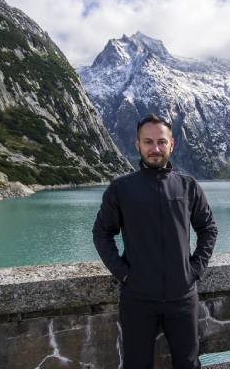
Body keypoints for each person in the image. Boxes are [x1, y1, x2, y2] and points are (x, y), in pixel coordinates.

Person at [92, 113, 218, 369]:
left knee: (188, 363)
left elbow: (208, 229)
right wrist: (124, 274)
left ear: (172, 144)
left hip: (182, 297)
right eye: (148, 142)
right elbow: (101, 233)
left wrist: (194, 270)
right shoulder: (121, 189)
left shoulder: (188, 186)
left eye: (161, 142)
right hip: (137, 298)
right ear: (137, 145)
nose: (155, 149)